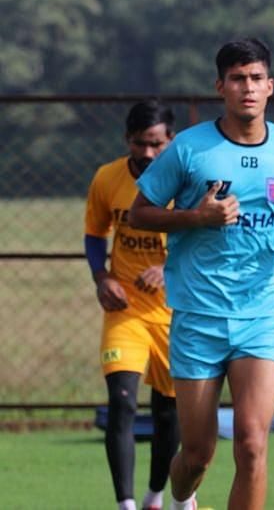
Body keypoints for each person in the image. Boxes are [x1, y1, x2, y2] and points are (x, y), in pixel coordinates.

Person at [129, 38, 274, 510]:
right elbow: (140, 213)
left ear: (270, 86)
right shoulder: (190, 148)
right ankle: (180, 500)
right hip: (197, 316)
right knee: (198, 454)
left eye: (255, 78)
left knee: (252, 444)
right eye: (236, 79)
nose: (246, 88)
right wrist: (196, 217)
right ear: (220, 86)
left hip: (261, 315)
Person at [84, 99, 179, 510]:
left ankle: (156, 496)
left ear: (170, 141)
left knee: (168, 413)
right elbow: (94, 234)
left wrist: (166, 267)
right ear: (128, 140)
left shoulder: (187, 181)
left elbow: (206, 238)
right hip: (125, 310)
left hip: (176, 313)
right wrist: (101, 277)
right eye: (139, 143)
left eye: (156, 144)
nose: (147, 153)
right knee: (122, 401)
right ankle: (124, 504)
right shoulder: (107, 178)